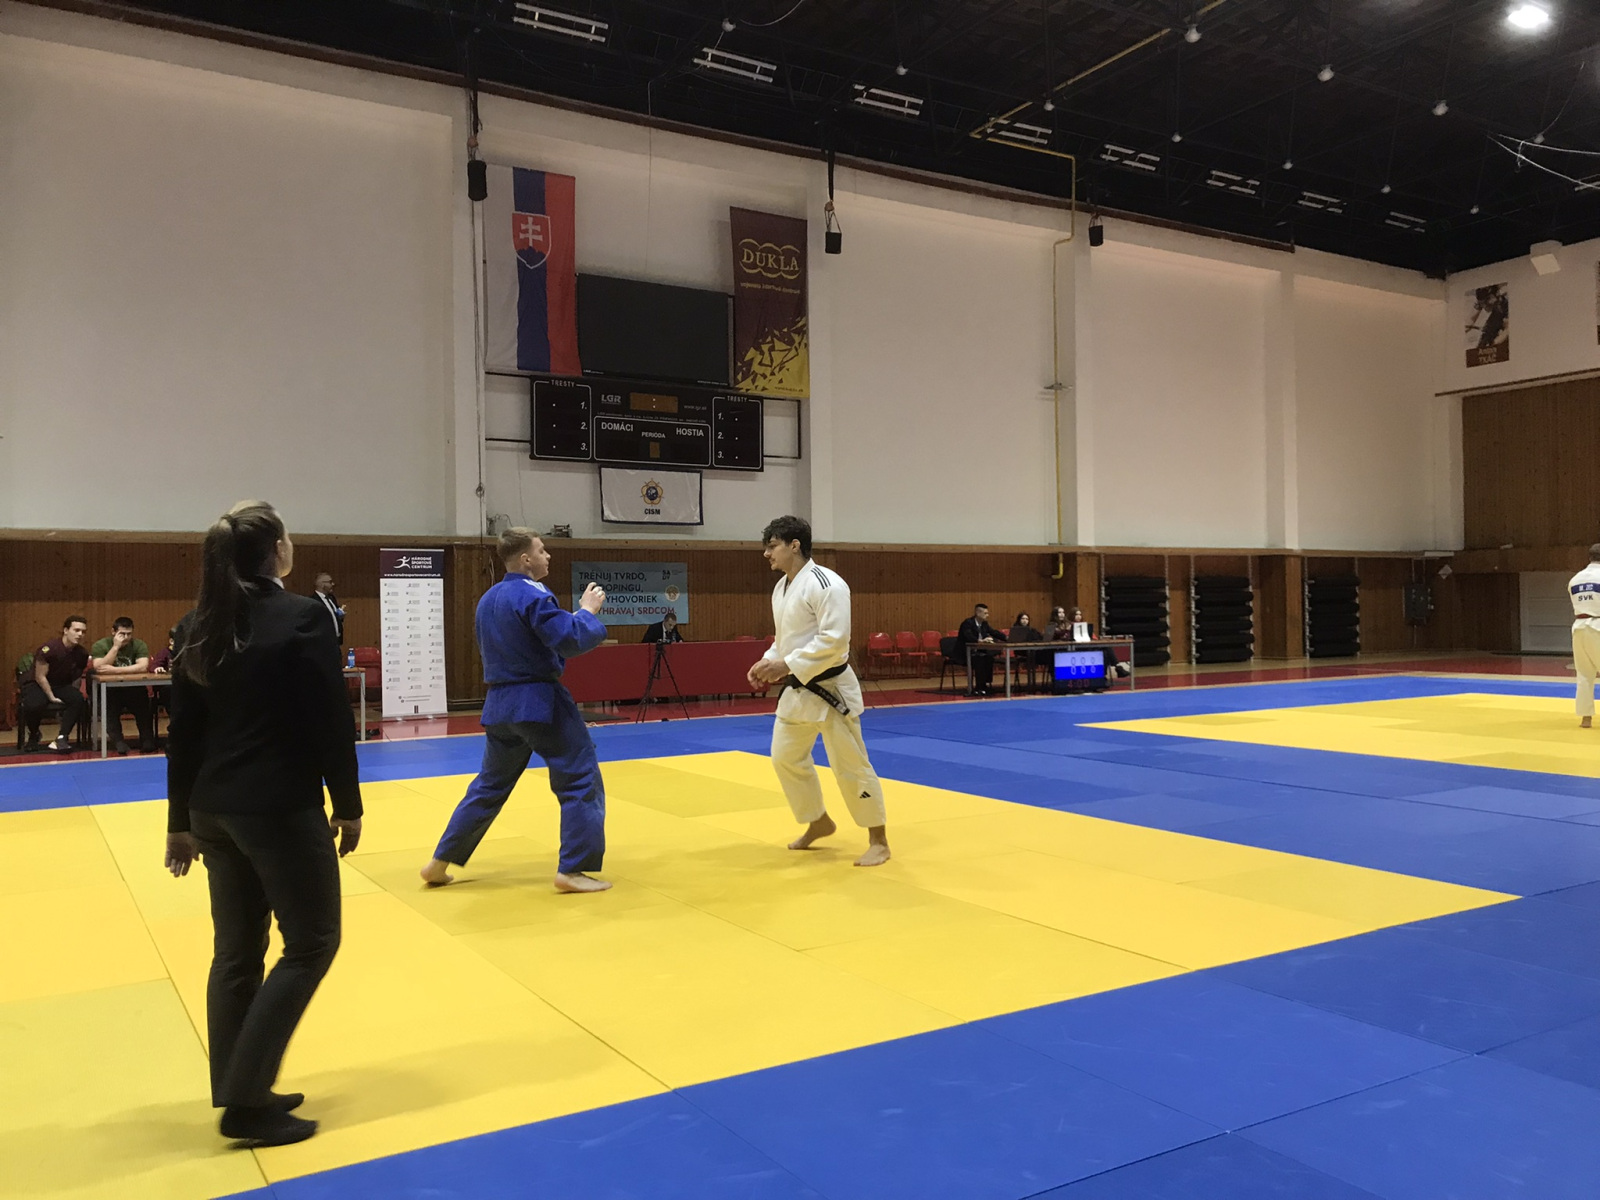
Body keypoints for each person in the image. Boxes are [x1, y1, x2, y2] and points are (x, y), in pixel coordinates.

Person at [164, 500, 363, 1149]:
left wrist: (178, 821)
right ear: (277, 550)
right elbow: (330, 717)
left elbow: (182, 734)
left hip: (212, 810)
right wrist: (348, 802)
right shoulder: (303, 615)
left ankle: (237, 1084)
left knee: (236, 953)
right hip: (276, 807)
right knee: (312, 943)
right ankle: (247, 1099)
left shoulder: (197, 623)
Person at [420, 527, 611, 893]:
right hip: (538, 699)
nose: (547, 556)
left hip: (500, 704)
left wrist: (573, 617)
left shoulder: (488, 599)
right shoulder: (534, 593)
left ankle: (440, 861)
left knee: (489, 785)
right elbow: (569, 640)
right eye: (542, 550)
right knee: (580, 777)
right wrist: (587, 612)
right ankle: (573, 870)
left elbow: (528, 639)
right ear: (525, 559)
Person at [747, 515, 890, 867]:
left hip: (831, 689)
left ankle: (879, 840)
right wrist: (768, 662)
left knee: (851, 765)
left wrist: (786, 665)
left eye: (772, 546)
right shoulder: (782, 587)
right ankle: (818, 820)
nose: (767, 554)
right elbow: (786, 640)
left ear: (794, 545)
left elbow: (835, 640)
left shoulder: (827, 584)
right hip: (799, 690)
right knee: (784, 758)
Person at [19, 614, 90, 753]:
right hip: (37, 683)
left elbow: (76, 676)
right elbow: (40, 676)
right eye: (76, 630)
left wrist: (71, 691)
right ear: (66, 630)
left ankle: (62, 737)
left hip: (60, 684)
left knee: (77, 699)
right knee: (34, 704)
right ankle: (34, 735)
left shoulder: (82, 653)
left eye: (83, 631)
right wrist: (51, 696)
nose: (80, 634)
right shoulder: (49, 649)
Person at [90, 616, 158, 754]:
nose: (126, 637)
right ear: (113, 632)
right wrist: (115, 647)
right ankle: (118, 742)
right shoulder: (101, 645)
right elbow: (99, 667)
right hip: (110, 689)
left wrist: (114, 670)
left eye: (129, 634)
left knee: (143, 705)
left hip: (133, 688)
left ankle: (147, 740)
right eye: (122, 634)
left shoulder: (139, 644)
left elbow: (143, 666)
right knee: (109, 708)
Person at [1569, 545, 1600, 728]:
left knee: (1584, 674)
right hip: (1598, 625)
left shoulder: (1575, 579)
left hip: (1579, 628)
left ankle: (1586, 718)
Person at [957, 603, 1005, 696]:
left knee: (989, 658)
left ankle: (985, 685)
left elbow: (993, 632)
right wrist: (980, 641)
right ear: (978, 613)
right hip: (966, 652)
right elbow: (968, 636)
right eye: (985, 613)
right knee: (980, 660)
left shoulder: (984, 624)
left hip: (979, 651)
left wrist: (1007, 638)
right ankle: (979, 687)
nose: (988, 615)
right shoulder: (967, 623)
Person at [1008, 612, 1044, 690]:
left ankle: (1034, 684)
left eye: (1027, 619)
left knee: (1041, 653)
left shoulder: (1031, 630)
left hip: (1031, 650)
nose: (1025, 621)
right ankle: (1031, 685)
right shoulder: (1015, 630)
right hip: (1020, 651)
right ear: (1019, 620)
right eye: (1023, 619)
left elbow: (1040, 638)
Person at [312, 572, 345, 644]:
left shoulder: (331, 598)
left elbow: (333, 617)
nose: (333, 584)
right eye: (330, 582)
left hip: (336, 641)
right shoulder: (313, 601)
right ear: (322, 585)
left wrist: (340, 616)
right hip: (323, 642)